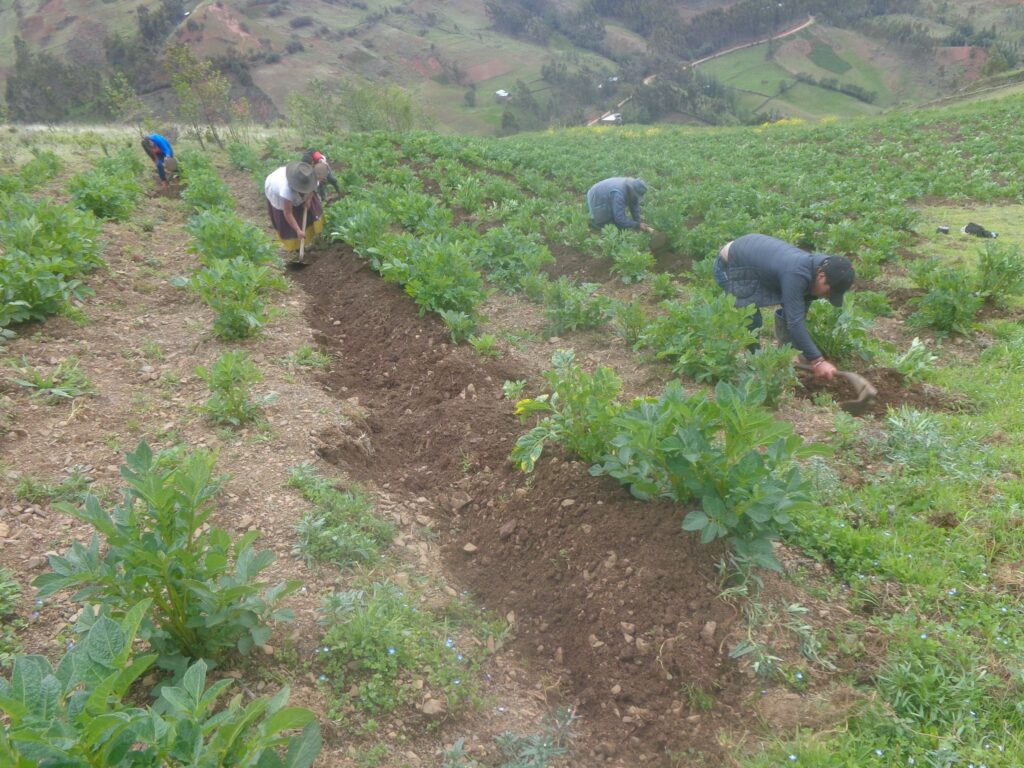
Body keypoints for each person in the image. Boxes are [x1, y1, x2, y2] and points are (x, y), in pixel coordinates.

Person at [714, 233, 856, 381]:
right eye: (828, 292)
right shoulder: (797, 273)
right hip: (730, 265)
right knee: (750, 315)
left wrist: (790, 349)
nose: (826, 297)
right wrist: (818, 361)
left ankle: (784, 354)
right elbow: (795, 322)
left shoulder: (821, 268)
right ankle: (755, 363)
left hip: (754, 259)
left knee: (796, 308)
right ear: (821, 277)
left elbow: (796, 314)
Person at [264, 161, 324, 254]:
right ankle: (297, 248)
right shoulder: (286, 190)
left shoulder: (310, 177)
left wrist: (308, 199)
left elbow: (313, 187)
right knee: (293, 221)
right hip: (274, 186)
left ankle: (314, 238)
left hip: (289, 183)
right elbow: (287, 213)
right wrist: (298, 230)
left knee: (309, 211)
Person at [586, 177, 653, 232]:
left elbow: (634, 206)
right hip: (597, 196)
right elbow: (619, 218)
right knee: (602, 222)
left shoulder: (633, 188)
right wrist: (637, 225)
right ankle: (593, 222)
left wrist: (638, 222)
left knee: (616, 216)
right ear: (632, 190)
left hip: (609, 194)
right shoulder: (619, 194)